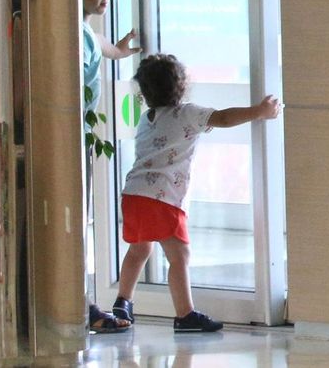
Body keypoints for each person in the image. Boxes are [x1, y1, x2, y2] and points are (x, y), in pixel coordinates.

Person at [112, 53, 281, 332]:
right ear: (180, 85)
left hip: (133, 194)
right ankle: (185, 314)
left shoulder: (147, 118)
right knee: (179, 255)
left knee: (138, 249)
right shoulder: (187, 113)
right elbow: (224, 118)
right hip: (162, 197)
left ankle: (123, 302)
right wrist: (259, 111)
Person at [82, 0, 140, 334]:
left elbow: (99, 43)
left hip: (83, 136)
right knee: (78, 225)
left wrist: (118, 51)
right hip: (73, 137)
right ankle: (85, 307)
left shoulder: (85, 29)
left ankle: (86, 306)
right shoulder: (68, 32)